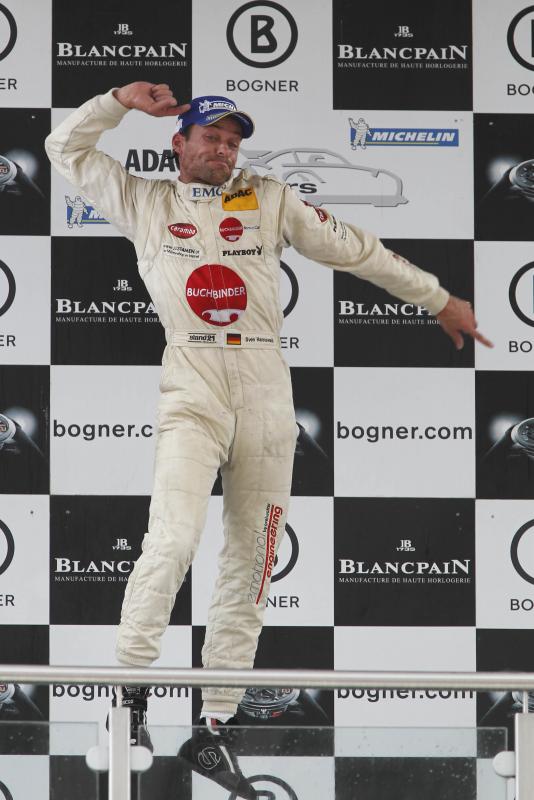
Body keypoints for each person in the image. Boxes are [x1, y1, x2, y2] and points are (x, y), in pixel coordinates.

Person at [45, 82, 491, 797]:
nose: (223, 150)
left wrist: (438, 298)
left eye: (233, 141)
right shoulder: (143, 200)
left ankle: (214, 728)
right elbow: (64, 147)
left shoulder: (271, 198)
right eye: (210, 137)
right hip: (190, 384)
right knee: (173, 540)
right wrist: (120, 99)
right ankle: (128, 704)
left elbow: (357, 250)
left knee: (253, 557)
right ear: (179, 143)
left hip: (264, 384)